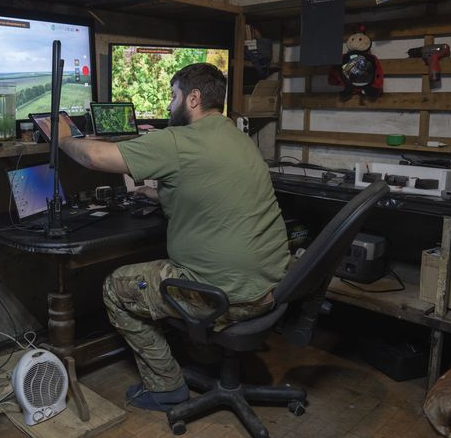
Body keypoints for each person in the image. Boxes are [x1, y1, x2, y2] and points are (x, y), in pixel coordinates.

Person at [58, 63, 291, 412]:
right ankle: (206, 356)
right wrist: (154, 195)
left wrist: (62, 137)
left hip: (224, 294)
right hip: (270, 287)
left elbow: (93, 157)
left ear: (193, 98)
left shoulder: (178, 141)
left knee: (114, 287)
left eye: (172, 96)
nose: (168, 106)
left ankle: (166, 387)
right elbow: (205, 187)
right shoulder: (237, 137)